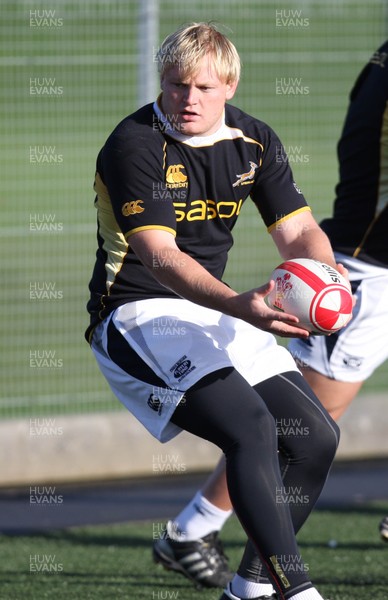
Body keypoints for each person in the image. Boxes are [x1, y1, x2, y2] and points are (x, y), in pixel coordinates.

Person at [86, 23, 346, 600]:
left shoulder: (253, 141)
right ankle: (298, 591)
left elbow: (301, 230)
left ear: (229, 85)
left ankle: (250, 588)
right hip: (138, 314)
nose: (187, 99)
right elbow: (158, 257)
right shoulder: (135, 143)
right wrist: (239, 306)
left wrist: (326, 280)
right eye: (176, 85)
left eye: (203, 87)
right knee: (251, 428)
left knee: (314, 439)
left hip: (213, 312)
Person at [153, 38, 388, 595]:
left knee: (294, 433)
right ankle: (193, 529)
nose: (191, 97)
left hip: (360, 257)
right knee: (297, 432)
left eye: (205, 86)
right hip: (367, 267)